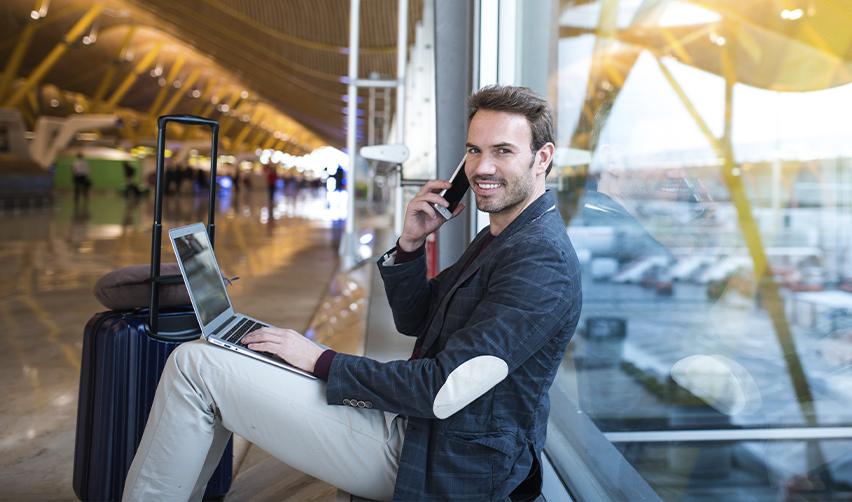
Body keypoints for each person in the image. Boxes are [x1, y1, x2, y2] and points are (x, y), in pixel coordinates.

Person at [123, 85, 582, 501]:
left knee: (194, 365)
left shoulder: (540, 262)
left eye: (503, 151)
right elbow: (418, 320)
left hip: (443, 461)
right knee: (217, 362)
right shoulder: (504, 235)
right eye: (474, 151)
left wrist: (319, 360)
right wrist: (410, 244)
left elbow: (442, 389)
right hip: (424, 431)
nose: (482, 167)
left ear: (542, 158)